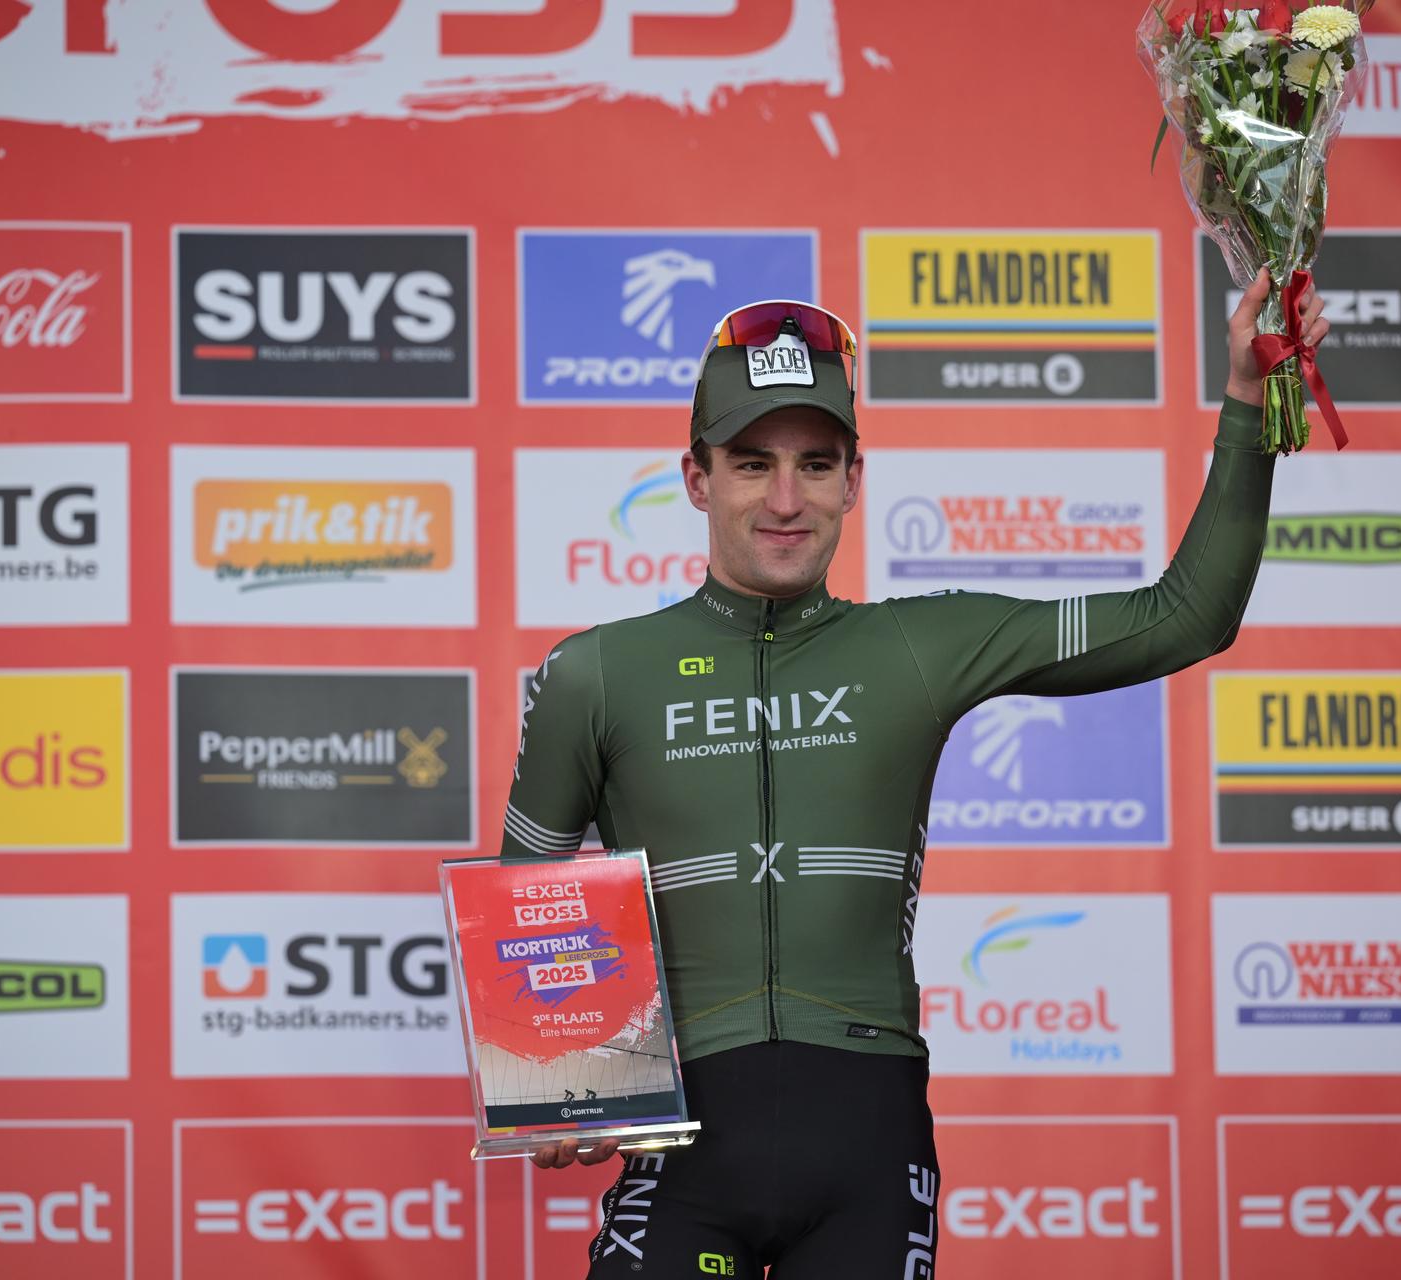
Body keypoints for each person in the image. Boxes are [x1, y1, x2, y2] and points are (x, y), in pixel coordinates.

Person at [503, 271, 1327, 1278]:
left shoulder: (918, 644)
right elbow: (533, 900)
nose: (786, 498)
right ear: (696, 477)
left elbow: (1187, 615)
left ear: (855, 478)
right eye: (752, 462)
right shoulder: (595, 670)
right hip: (682, 1148)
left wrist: (1251, 400)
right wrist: (561, 1084)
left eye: (817, 462)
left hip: (866, 1130)